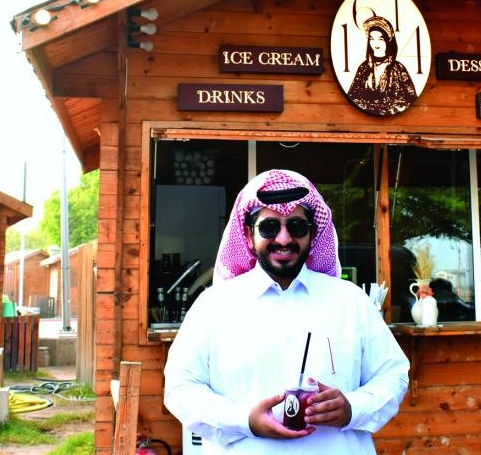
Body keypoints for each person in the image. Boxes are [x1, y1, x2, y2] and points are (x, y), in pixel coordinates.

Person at [164, 169, 409, 454]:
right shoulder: (214, 306)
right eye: (269, 227)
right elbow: (181, 389)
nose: (283, 239)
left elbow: (393, 375)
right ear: (248, 232)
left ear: (312, 232)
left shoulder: (350, 302)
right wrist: (245, 420)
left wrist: (353, 408)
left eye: (296, 226)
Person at [346, 15, 417, 116]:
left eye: (380, 39)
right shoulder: (364, 68)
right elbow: (352, 96)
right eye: (372, 38)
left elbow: (411, 100)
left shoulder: (398, 69)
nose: (375, 43)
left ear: (388, 41)